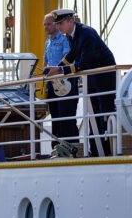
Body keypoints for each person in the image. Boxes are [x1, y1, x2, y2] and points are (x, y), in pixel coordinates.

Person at [45, 9, 116, 156]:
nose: (58, 27)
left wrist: (59, 70)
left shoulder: (86, 34)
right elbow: (72, 55)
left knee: (104, 112)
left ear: (71, 21)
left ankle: (108, 151)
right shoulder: (72, 35)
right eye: (57, 24)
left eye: (61, 23)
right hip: (91, 75)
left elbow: (82, 64)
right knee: (93, 113)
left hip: (104, 75)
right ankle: (96, 151)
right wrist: (56, 67)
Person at [43, 12, 79, 150]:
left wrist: (57, 70)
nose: (46, 27)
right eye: (44, 25)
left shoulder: (65, 40)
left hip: (66, 82)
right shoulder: (48, 42)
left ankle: (71, 148)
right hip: (52, 84)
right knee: (55, 116)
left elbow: (68, 57)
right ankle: (57, 148)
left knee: (66, 116)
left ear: (56, 25)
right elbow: (46, 60)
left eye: (48, 24)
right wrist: (44, 72)